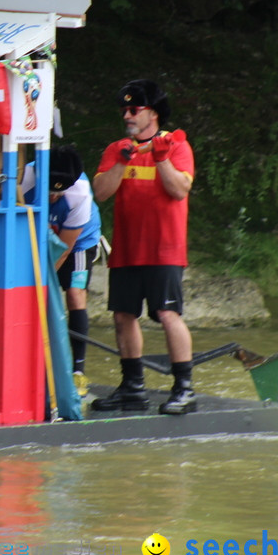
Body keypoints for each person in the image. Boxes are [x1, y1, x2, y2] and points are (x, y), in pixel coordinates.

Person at [92, 79, 196, 415]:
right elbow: (101, 192)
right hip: (127, 248)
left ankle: (184, 388)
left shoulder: (177, 147)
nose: (127, 114)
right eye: (123, 109)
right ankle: (132, 389)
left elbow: (179, 190)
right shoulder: (116, 149)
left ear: (152, 113)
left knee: (167, 314)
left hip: (164, 249)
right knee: (123, 316)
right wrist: (122, 162)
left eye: (133, 109)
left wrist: (162, 159)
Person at [19, 145, 101, 393]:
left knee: (74, 295)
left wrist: (45, 283)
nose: (53, 198)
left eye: (59, 193)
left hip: (77, 243)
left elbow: (64, 249)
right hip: (39, 232)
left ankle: (77, 370)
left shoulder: (80, 195)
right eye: (50, 192)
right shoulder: (26, 177)